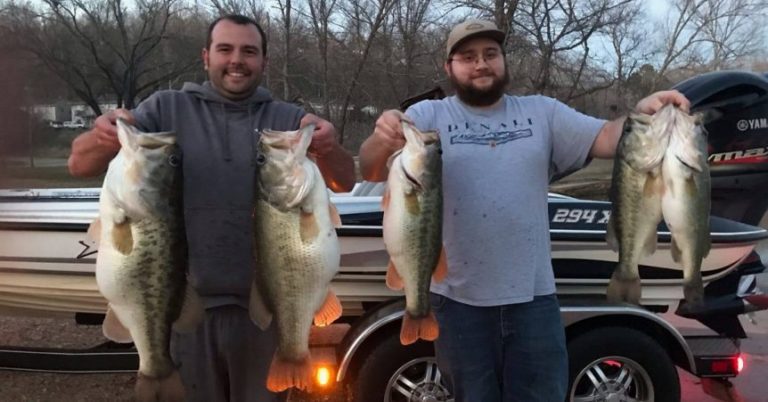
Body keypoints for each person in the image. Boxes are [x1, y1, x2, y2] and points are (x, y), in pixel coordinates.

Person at [358, 19, 689, 402]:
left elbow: (605, 137)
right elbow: (369, 167)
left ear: (503, 61)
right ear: (449, 68)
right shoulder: (429, 116)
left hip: (533, 300)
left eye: (490, 54)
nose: (481, 64)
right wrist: (382, 137)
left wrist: (641, 115)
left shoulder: (542, 113)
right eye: (468, 57)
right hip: (456, 300)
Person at [68, 14, 355, 402]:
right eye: (225, 49)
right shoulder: (164, 109)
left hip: (264, 309)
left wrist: (330, 144)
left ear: (263, 62)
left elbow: (343, 181)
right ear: (206, 57)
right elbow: (79, 165)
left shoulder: (286, 120)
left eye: (249, 51)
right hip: (187, 307)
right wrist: (103, 134)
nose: (236, 59)